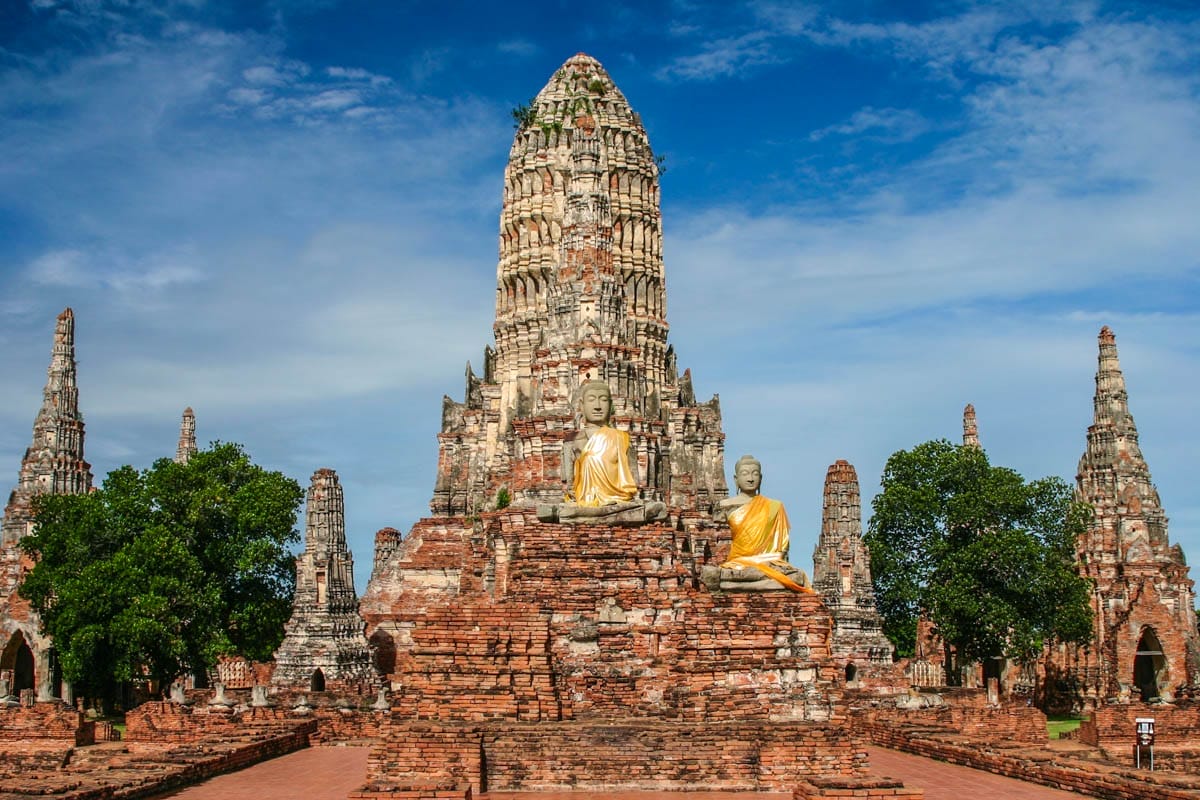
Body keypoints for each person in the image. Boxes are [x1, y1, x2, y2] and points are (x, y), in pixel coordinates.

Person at [713, 455, 811, 593]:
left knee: (797, 577)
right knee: (719, 575)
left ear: (761, 478)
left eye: (755, 474)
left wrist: (766, 561)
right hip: (738, 565)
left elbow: (782, 548)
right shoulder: (724, 506)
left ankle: (743, 585)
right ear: (736, 479)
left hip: (767, 563)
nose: (750, 478)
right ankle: (763, 583)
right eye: (745, 474)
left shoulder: (775, 506)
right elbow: (717, 540)